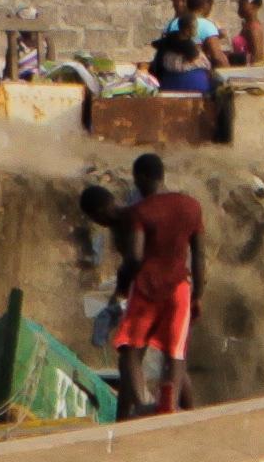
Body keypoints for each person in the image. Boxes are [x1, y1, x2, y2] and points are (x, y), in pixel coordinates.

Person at [84, 150, 210, 417]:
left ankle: (142, 405)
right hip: (181, 287)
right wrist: (198, 294)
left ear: (140, 178)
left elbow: (136, 256)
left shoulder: (139, 212)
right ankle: (175, 408)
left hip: (148, 287)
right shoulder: (191, 206)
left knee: (130, 350)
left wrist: (119, 289)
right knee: (175, 352)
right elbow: (199, 255)